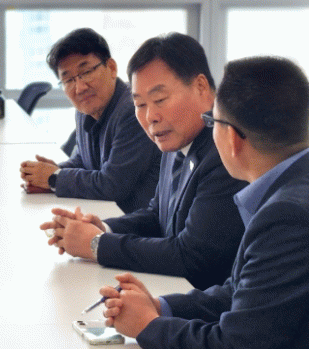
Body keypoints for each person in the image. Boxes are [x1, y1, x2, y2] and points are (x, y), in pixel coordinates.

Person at [101, 56, 309, 349]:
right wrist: (161, 307)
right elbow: (241, 293)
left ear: (232, 138)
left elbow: (237, 344)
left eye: (213, 122)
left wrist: (149, 326)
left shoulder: (286, 216)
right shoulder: (289, 188)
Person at [41, 33, 247, 289]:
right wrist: (102, 228)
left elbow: (192, 257)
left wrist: (97, 245)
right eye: (140, 104)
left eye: (159, 100)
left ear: (201, 87)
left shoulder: (226, 152)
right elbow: (156, 215)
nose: (150, 117)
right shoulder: (175, 137)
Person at [19, 28, 160, 213]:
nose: (80, 88)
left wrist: (54, 178)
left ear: (111, 68)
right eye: (68, 80)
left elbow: (113, 185)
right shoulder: (85, 109)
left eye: (86, 72)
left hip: (133, 220)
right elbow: (83, 160)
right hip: (103, 212)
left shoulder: (133, 111)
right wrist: (51, 172)